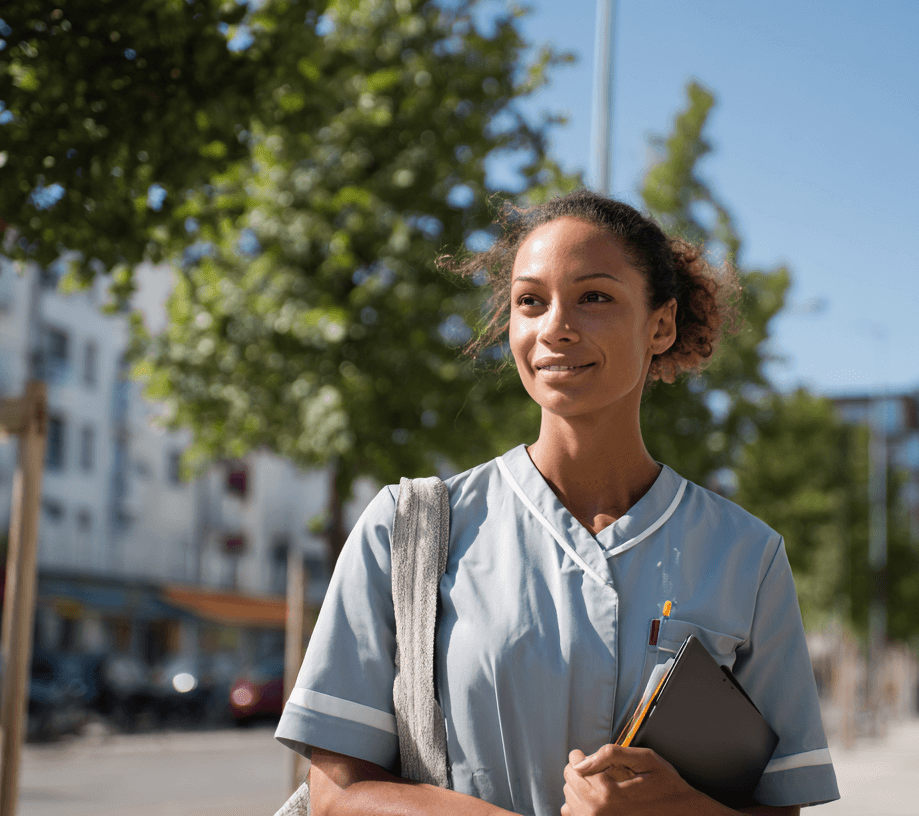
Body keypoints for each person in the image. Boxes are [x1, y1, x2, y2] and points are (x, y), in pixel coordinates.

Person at [275, 190, 840, 816]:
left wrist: (677, 809)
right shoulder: (405, 530)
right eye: (530, 301)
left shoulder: (747, 557)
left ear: (661, 325)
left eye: (594, 297)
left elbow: (784, 805)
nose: (555, 327)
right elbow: (337, 794)